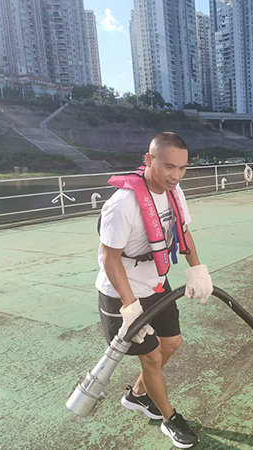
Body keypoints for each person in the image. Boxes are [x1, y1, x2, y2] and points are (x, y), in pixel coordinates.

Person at [96, 132, 213, 449]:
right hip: (121, 293)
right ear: (149, 160)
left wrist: (197, 269)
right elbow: (110, 258)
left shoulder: (175, 193)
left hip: (157, 285)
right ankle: (169, 418)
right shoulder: (122, 204)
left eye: (182, 168)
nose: (176, 176)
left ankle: (137, 394)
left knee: (172, 343)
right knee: (151, 357)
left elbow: (183, 233)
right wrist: (130, 306)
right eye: (168, 167)